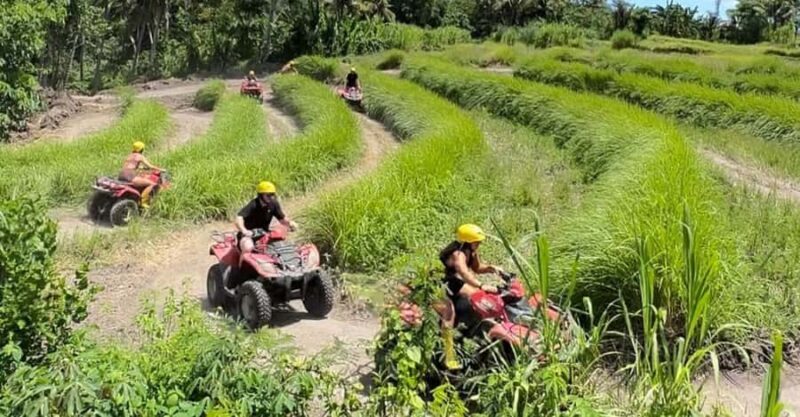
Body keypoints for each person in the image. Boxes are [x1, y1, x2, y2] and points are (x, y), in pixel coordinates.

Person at [436, 223, 504, 371]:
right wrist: (481, 285)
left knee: (481, 299)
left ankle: (475, 331)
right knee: (449, 313)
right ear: (467, 241)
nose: (478, 244)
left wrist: (493, 269)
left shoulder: (471, 251)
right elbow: (464, 271)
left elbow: (477, 268)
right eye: (476, 242)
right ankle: (448, 355)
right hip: (441, 284)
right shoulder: (457, 253)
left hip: (455, 282)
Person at [235, 181, 298, 257]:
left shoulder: (273, 204)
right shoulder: (253, 204)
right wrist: (244, 231)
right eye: (268, 195)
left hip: (264, 233)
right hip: (249, 235)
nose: (271, 197)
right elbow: (239, 217)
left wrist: (290, 223)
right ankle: (241, 267)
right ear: (261, 195)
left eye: (273, 194)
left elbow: (282, 219)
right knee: (248, 247)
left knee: (279, 243)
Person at [119, 141, 164, 209]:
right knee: (152, 184)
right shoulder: (140, 156)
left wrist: (141, 168)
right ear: (141, 149)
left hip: (122, 175)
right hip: (130, 176)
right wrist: (161, 169)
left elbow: (130, 165)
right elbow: (150, 166)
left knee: (140, 179)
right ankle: (143, 202)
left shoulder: (130, 155)